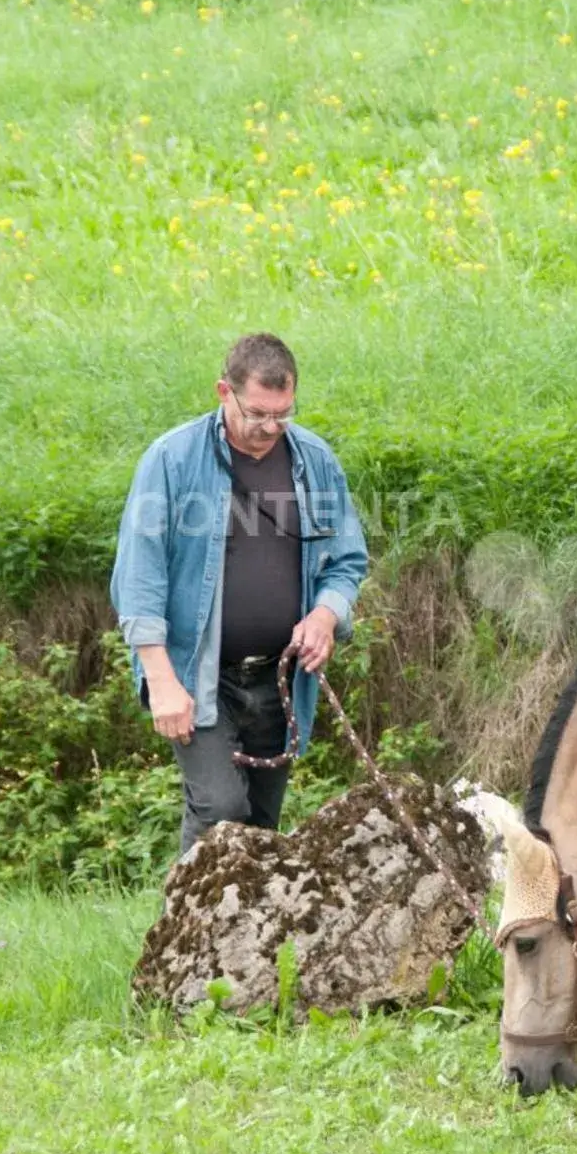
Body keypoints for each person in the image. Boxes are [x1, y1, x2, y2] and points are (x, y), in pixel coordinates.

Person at [110, 332, 368, 852]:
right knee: (220, 809)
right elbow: (138, 577)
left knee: (262, 826)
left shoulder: (315, 461)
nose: (270, 428)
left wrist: (323, 616)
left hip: (280, 677)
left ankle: (246, 934)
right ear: (223, 392)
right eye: (257, 414)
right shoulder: (171, 461)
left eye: (283, 414)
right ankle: (186, 935)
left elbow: (347, 560)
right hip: (196, 675)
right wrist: (160, 679)